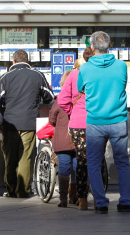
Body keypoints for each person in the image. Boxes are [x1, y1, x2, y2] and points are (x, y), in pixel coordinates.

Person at [77, 31, 130, 214]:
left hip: (95, 121)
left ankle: (101, 203)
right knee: (122, 162)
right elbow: (122, 86)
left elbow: (79, 88)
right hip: (118, 120)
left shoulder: (85, 68)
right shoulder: (121, 66)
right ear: (109, 46)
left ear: (92, 48)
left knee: (93, 163)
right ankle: (125, 201)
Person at [0, 49, 54, 198]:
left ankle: (12, 190)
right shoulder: (37, 75)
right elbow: (49, 97)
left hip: (9, 124)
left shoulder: (4, 78)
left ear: (13, 61)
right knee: (25, 156)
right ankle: (23, 190)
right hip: (28, 123)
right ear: (28, 61)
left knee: (10, 157)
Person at [58, 55, 91, 210]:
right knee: (98, 161)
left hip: (78, 123)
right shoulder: (99, 72)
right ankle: (99, 198)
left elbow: (62, 100)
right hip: (98, 121)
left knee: (81, 161)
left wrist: (73, 112)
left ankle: (82, 200)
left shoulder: (73, 75)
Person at [49, 71, 77, 207]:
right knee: (78, 168)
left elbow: (52, 119)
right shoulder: (81, 98)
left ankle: (63, 198)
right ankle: (76, 196)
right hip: (79, 138)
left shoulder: (59, 99)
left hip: (63, 139)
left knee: (64, 168)